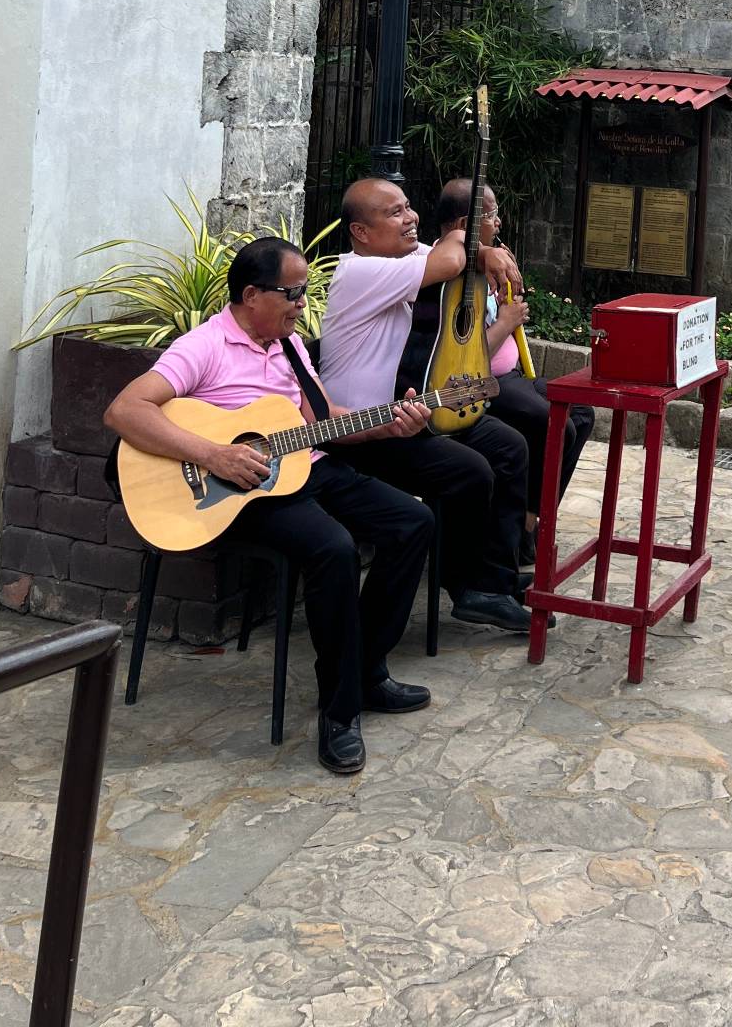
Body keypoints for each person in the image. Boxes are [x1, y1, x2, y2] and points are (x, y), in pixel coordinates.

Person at [105, 235, 434, 776]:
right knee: (334, 549)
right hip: (240, 490)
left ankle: (364, 672)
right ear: (252, 295)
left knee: (413, 521)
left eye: (305, 292)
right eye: (293, 293)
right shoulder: (203, 345)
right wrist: (215, 453)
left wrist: (389, 424)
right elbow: (124, 410)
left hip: (306, 467)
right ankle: (339, 712)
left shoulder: (291, 345)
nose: (302, 304)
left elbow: (322, 422)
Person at [315, 175, 531, 634]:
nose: (411, 217)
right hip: (359, 429)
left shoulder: (406, 258)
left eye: (408, 205)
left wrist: (481, 250)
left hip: (408, 413)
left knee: (509, 447)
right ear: (361, 232)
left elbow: (451, 255)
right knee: (470, 471)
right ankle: (465, 586)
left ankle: (493, 580)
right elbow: (451, 256)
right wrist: (476, 245)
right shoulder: (359, 272)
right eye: (394, 213)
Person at [428, 180, 594, 563]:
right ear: (466, 224)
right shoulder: (450, 274)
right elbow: (465, 357)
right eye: (492, 215)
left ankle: (532, 518)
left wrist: (507, 297)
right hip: (480, 384)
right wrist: (507, 320)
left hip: (513, 375)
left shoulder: (488, 260)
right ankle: (524, 527)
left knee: (582, 412)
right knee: (555, 424)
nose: (499, 222)